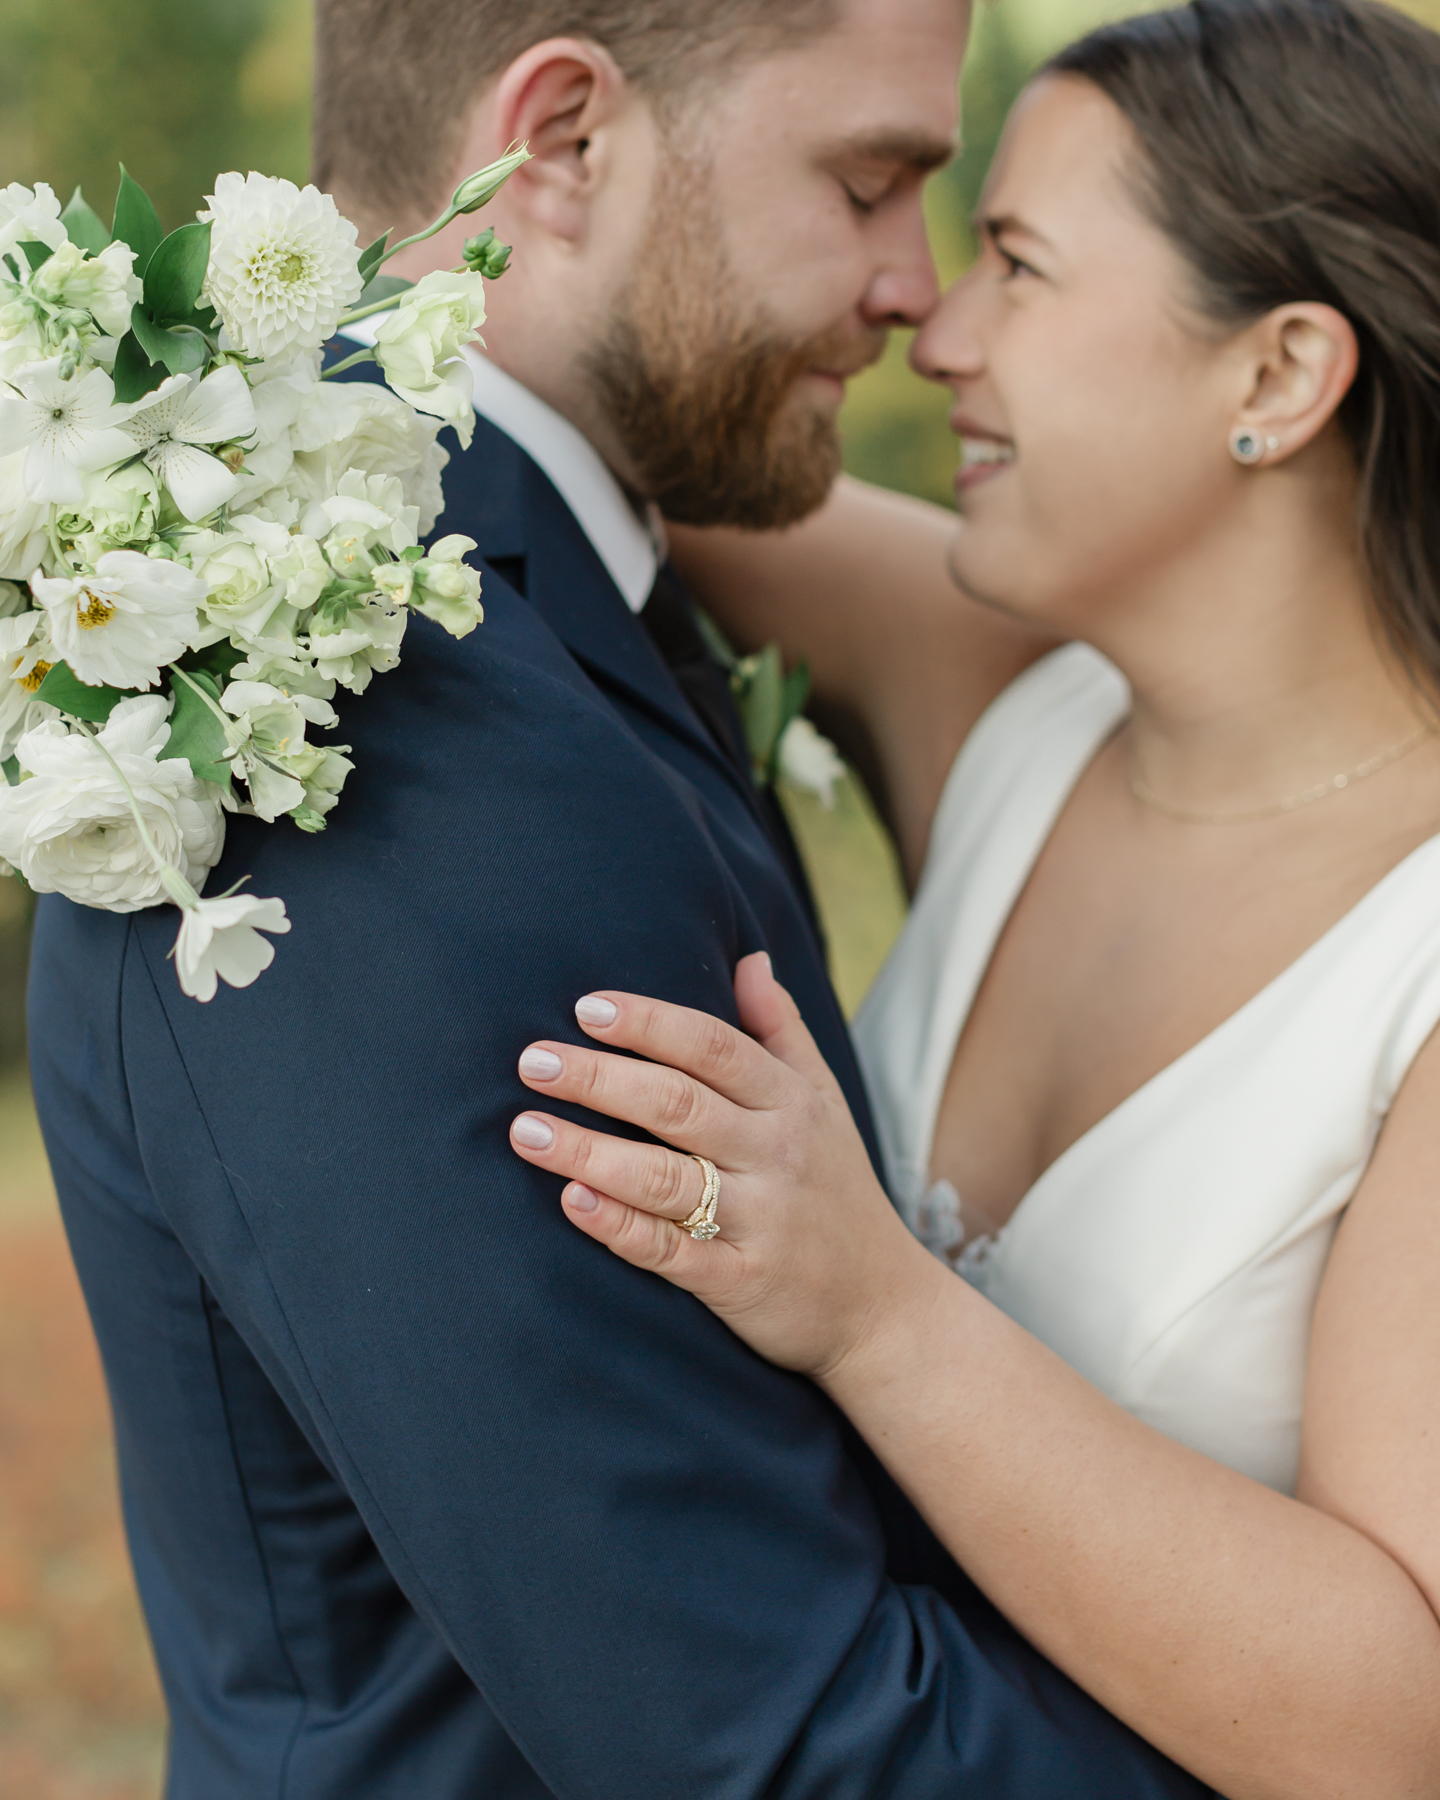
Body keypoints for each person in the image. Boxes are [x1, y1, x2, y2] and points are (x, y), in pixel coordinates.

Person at [27, 1, 1208, 1795]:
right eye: (873, 179)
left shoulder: (518, 592)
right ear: (564, 142)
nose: (918, 291)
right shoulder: (381, 732)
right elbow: (778, 1745)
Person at [505, 1, 1440, 1795]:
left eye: (1016, 261)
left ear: (1278, 375)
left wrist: (877, 1313)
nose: (936, 330)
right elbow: (562, 398)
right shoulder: (999, 687)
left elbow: (1395, 1722)